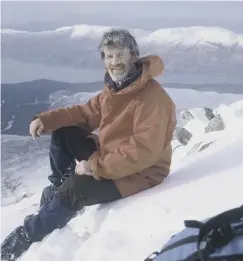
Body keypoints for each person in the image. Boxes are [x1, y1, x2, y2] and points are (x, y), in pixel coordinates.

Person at [1, 29, 176, 260]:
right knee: (64, 132)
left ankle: (26, 236)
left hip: (140, 173)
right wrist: (46, 119)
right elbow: (85, 114)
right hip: (111, 159)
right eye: (109, 56)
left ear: (133, 56)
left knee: (75, 189)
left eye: (120, 55)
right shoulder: (115, 90)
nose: (114, 62)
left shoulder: (152, 98)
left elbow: (143, 152)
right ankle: (57, 191)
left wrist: (94, 166)